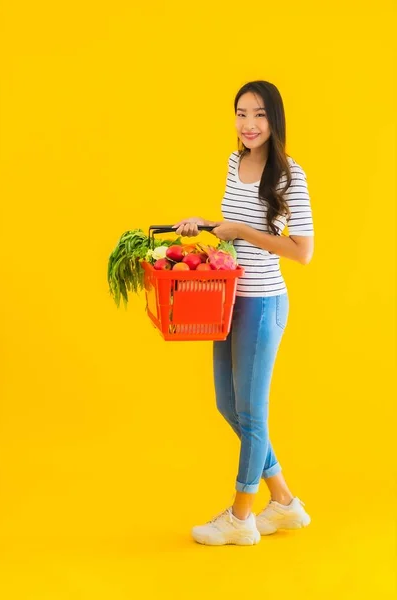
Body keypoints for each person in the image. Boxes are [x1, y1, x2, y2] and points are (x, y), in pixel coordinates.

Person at [172, 80, 314, 546]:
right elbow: (231, 230)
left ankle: (240, 517)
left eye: (258, 115)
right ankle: (286, 504)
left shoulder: (290, 174)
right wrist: (206, 225)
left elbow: (303, 252)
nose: (248, 124)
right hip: (226, 299)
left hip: (264, 301)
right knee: (228, 405)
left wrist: (243, 232)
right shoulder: (234, 163)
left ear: (274, 120)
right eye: (241, 114)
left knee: (252, 414)